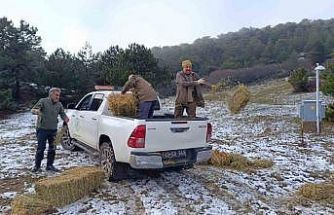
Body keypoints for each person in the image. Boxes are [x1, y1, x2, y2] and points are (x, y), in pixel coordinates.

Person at [31, 87, 69, 172]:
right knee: (41, 148)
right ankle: (37, 166)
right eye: (56, 95)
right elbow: (33, 110)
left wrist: (66, 119)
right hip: (42, 129)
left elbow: (62, 113)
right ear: (51, 94)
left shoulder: (59, 104)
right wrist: (36, 111)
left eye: (58, 95)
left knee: (53, 148)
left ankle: (50, 165)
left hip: (53, 130)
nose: (58, 97)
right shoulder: (43, 101)